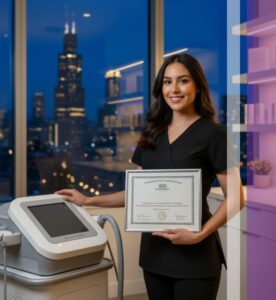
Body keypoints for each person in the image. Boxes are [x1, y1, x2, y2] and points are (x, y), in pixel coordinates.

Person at [56, 53, 244, 300]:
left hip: (195, 257)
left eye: (183, 81)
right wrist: (87, 200)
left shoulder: (213, 134)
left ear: (198, 87)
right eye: (167, 82)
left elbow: (236, 198)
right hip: (154, 255)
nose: (174, 89)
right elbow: (136, 194)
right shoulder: (152, 133)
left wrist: (200, 234)